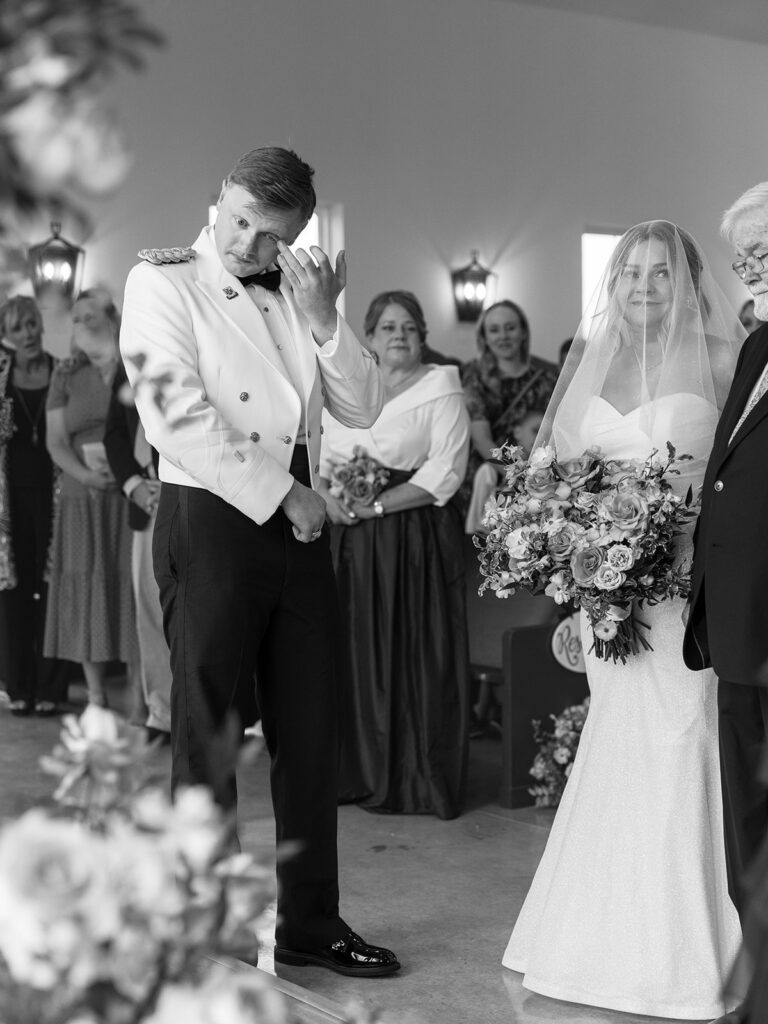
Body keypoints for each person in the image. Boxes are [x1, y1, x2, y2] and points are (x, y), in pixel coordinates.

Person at [119, 146, 399, 977]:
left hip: (296, 530)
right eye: (240, 220)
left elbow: (363, 407)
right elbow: (175, 418)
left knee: (310, 732)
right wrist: (285, 495)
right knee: (207, 735)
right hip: (213, 515)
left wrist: (326, 319)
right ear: (221, 199)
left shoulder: (301, 292)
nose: (247, 243)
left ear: (295, 238)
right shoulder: (163, 282)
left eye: (270, 234)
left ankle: (310, 923)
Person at [502, 221, 744, 1018]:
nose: (643, 287)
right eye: (631, 273)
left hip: (685, 596)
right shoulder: (591, 368)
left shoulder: (728, 361)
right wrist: (573, 584)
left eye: (661, 273)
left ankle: (691, 954)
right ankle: (592, 941)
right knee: (616, 749)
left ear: (690, 282)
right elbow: (560, 491)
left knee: (684, 740)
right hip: (607, 599)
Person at [317, 289, 470, 819]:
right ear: (369, 338)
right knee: (350, 651)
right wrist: (328, 497)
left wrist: (378, 506)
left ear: (422, 335)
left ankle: (411, 777)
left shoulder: (442, 386)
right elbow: (318, 452)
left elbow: (446, 469)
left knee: (409, 653)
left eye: (408, 327)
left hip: (411, 539)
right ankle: (354, 770)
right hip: (346, 539)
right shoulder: (345, 388)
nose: (398, 335)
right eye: (387, 327)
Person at [683, 183, 768, 1024]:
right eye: (744, 255)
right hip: (739, 619)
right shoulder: (755, 346)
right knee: (748, 810)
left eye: (765, 249)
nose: (751, 267)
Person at [44, 289, 136, 708]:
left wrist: (129, 474)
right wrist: (85, 475)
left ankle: (140, 698)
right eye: (77, 318)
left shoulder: (134, 365)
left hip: (128, 491)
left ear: (111, 318)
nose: (83, 324)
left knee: (131, 588)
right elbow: (55, 441)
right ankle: (96, 697)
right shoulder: (66, 373)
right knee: (84, 588)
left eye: (91, 316)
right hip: (82, 495)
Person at [0, 297, 68, 716]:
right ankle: (18, 685)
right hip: (8, 501)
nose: (26, 334)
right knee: (14, 589)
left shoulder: (63, 371)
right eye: (16, 327)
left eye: (30, 324)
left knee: (54, 585)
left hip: (56, 495)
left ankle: (51, 687)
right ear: (6, 335)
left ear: (41, 325)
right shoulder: (1, 377)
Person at [103, 362, 171, 738]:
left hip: (192, 495)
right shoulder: (126, 359)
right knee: (150, 610)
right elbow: (114, 433)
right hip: (144, 501)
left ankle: (208, 715)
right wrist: (134, 486)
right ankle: (163, 714)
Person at [460, 300, 557, 525]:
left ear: (523, 332)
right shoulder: (474, 375)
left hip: (538, 480)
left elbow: (554, 434)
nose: (503, 336)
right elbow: (481, 438)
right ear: (484, 337)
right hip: (489, 478)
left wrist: (537, 479)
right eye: (494, 330)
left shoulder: (547, 377)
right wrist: (517, 476)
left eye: (510, 328)